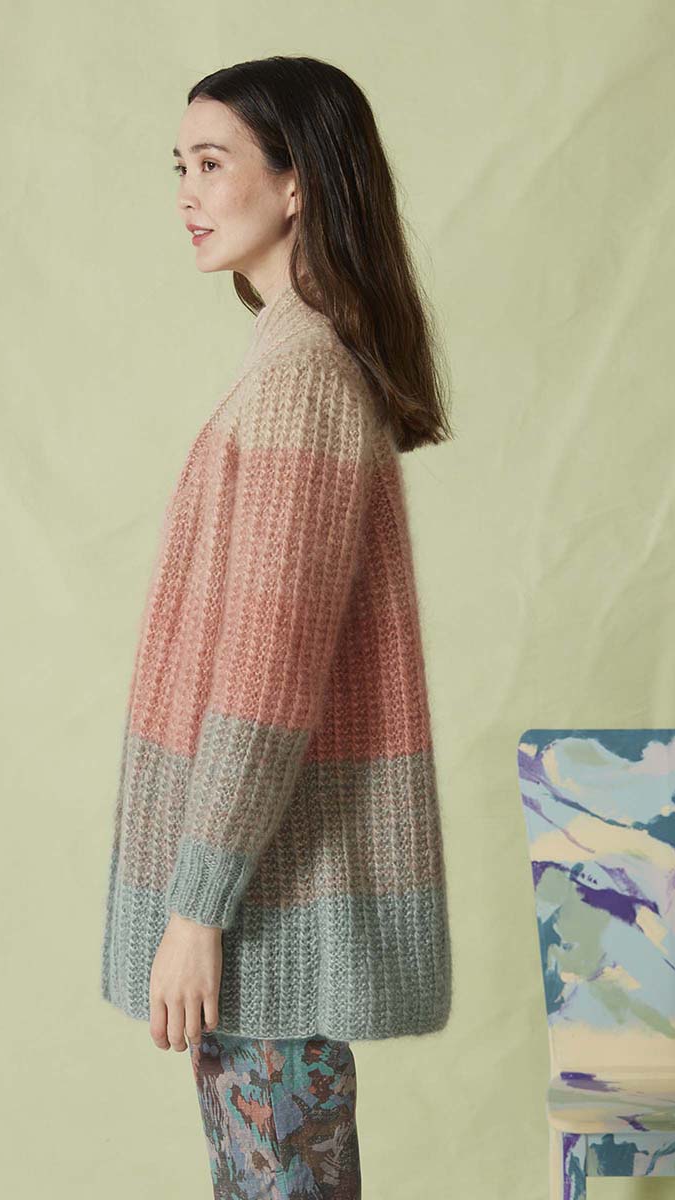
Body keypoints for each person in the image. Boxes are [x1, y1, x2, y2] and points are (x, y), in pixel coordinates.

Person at [101, 54, 454, 1199]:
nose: (187, 194)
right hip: (268, 904)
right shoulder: (290, 355)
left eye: (212, 164)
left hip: (267, 905)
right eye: (179, 167)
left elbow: (266, 680)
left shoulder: (300, 378)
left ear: (295, 183)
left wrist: (195, 907)